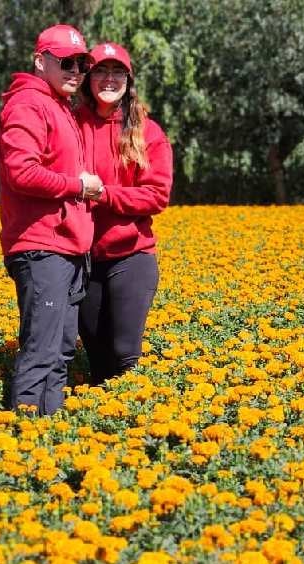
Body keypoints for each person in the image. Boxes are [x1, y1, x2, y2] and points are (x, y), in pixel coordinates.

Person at [0, 24, 104, 415]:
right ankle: (25, 445)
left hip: (65, 247)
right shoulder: (28, 103)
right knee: (42, 351)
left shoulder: (59, 106)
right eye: (66, 62)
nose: (75, 70)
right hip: (42, 247)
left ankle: (49, 437)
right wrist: (77, 186)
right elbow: (20, 172)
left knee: (59, 351)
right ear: (40, 61)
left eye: (81, 63)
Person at [77, 42, 173, 385]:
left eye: (118, 72)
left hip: (130, 255)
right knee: (98, 360)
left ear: (128, 80)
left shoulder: (148, 132)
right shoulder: (72, 125)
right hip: (82, 258)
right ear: (88, 78)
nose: (109, 78)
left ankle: (137, 423)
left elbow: (156, 196)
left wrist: (104, 195)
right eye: (101, 70)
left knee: (123, 353)